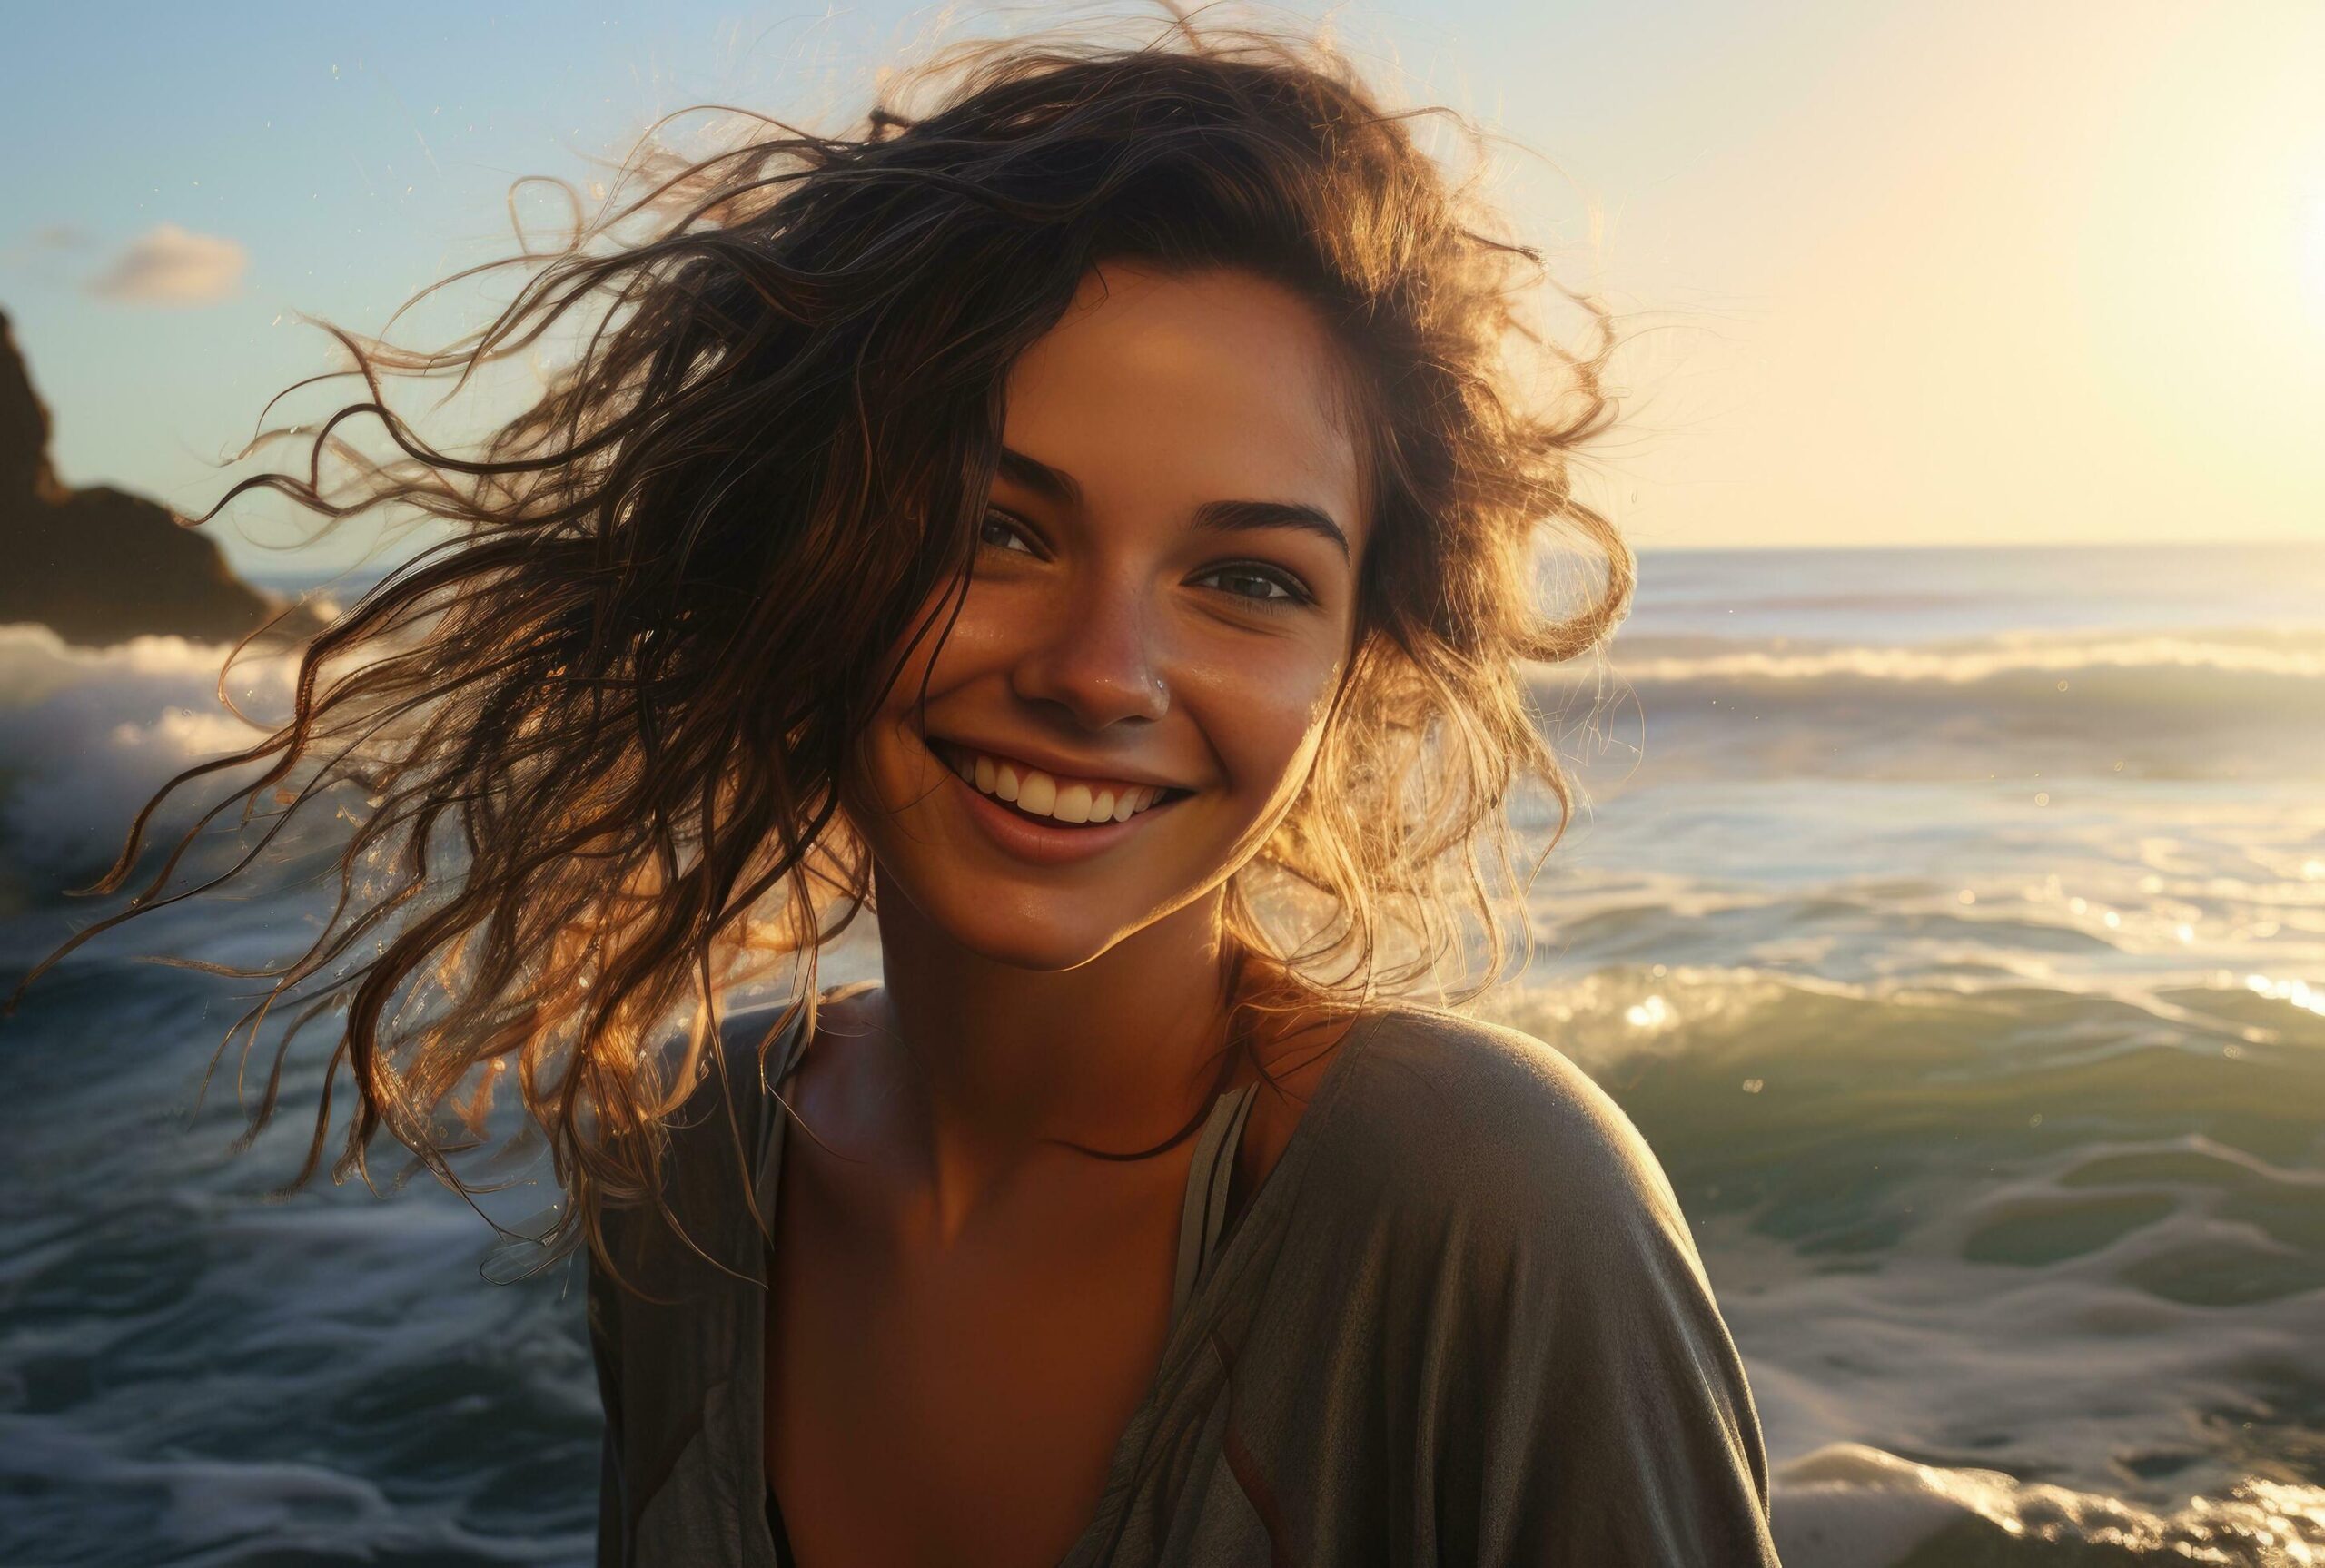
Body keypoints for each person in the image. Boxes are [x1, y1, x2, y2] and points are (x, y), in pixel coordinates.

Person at [19, 14, 1781, 1567]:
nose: (1100, 672)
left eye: (1244, 579)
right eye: (988, 529)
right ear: (793, 551)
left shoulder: (1475, 1196)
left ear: (1359, 662)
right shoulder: (694, 1164)